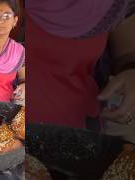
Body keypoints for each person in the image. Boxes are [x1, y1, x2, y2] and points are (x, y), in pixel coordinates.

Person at [27, 0, 135, 142]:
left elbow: (127, 53)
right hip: (1, 122)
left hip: (73, 137)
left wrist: (131, 72)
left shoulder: (113, 5)